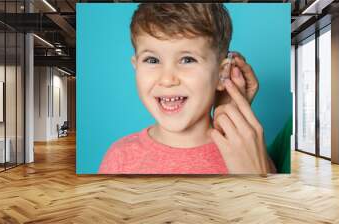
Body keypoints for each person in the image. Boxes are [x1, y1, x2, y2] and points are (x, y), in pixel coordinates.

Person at [98, 3, 276, 174]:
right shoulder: (119, 157)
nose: (167, 80)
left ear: (222, 73)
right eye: (152, 60)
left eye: (187, 59)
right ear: (135, 66)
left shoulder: (248, 157)